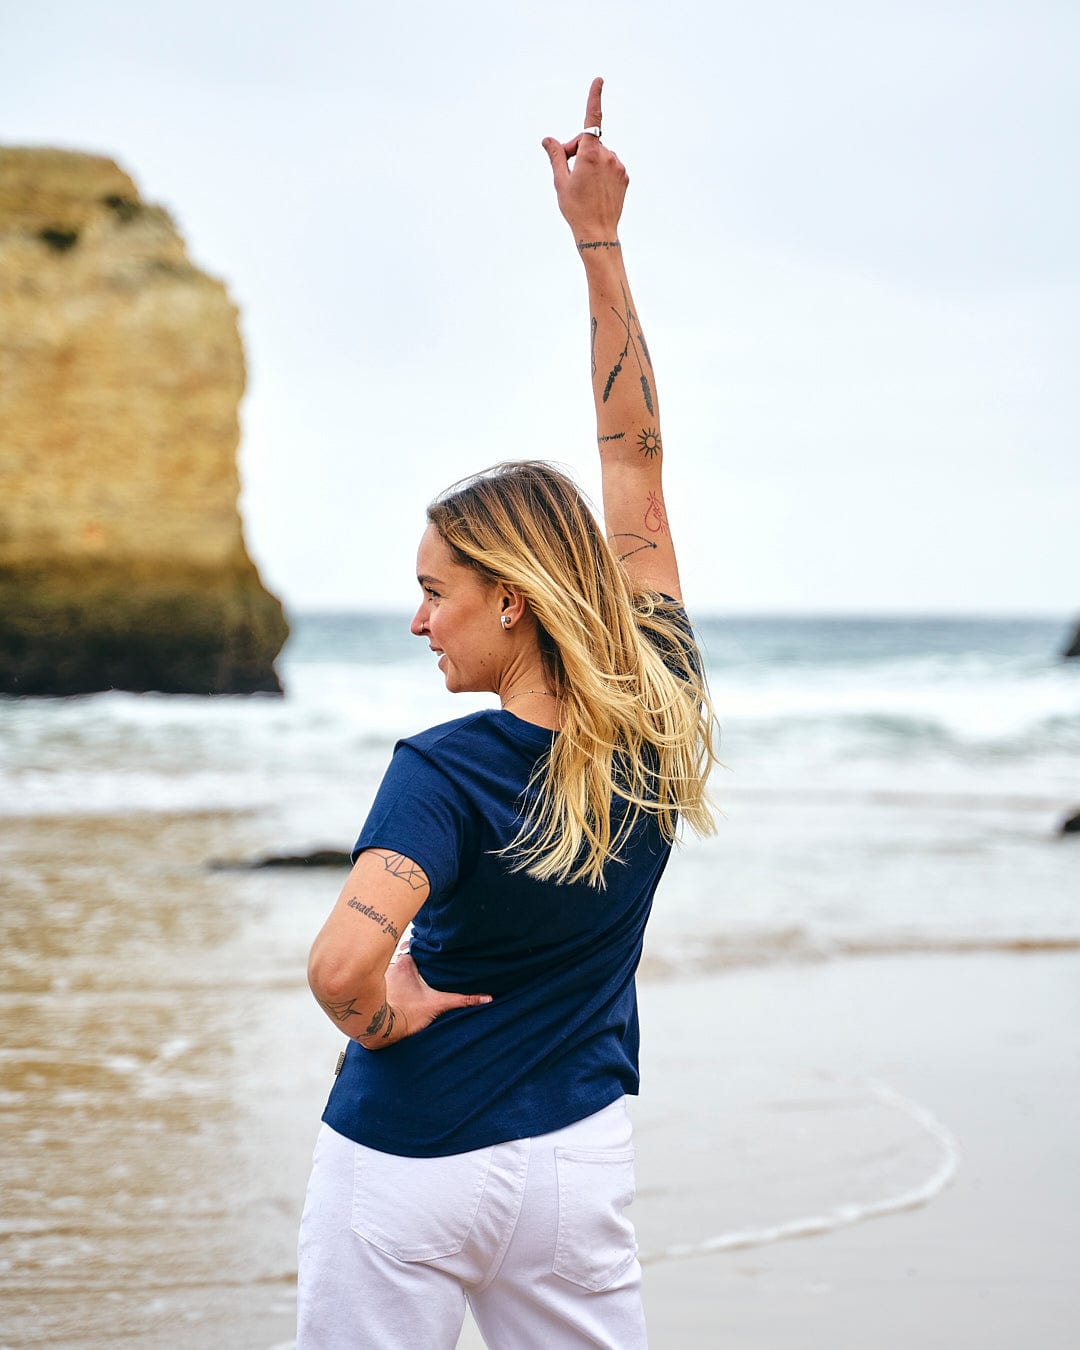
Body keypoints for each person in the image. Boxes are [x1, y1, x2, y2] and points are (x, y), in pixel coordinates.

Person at [296, 77, 718, 1350]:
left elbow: (340, 968)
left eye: (436, 593)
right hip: (574, 1169)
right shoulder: (658, 707)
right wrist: (600, 240)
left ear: (516, 602)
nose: (420, 620)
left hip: (410, 1164)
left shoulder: (445, 771)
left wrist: (381, 1016)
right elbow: (634, 461)